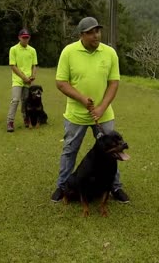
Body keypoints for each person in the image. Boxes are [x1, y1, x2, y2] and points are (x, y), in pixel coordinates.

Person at [50, 17, 130, 203]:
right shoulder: (69, 52)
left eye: (98, 31)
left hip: (103, 115)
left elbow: (114, 83)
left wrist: (102, 107)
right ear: (82, 35)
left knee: (112, 152)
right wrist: (82, 99)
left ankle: (115, 187)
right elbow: (61, 83)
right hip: (76, 115)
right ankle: (63, 186)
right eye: (91, 32)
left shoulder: (109, 53)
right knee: (70, 150)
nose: (96, 35)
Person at [6, 28, 38, 132]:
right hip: (17, 79)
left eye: (27, 37)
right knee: (15, 100)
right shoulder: (13, 49)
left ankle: (26, 118)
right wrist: (23, 77)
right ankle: (10, 122)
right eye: (23, 38)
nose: (25, 39)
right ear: (19, 37)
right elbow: (13, 66)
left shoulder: (32, 50)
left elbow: (34, 65)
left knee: (25, 101)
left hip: (28, 80)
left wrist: (33, 75)